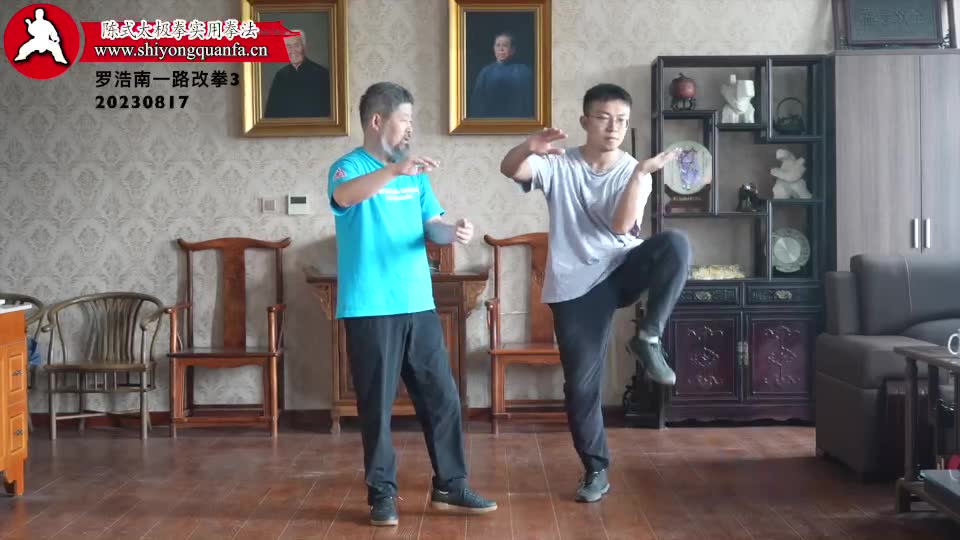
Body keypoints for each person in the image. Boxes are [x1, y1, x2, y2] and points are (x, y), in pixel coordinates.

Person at [498, 83, 691, 503]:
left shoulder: (634, 170)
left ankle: (648, 337)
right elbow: (510, 169)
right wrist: (528, 146)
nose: (613, 127)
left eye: (621, 120)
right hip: (575, 286)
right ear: (585, 121)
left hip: (622, 267)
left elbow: (622, 227)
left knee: (676, 245)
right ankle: (596, 468)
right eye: (604, 118)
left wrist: (639, 175)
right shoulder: (559, 164)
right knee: (581, 386)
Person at [327, 81, 498, 527]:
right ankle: (382, 494)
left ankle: (451, 486)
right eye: (404, 119)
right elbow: (345, 197)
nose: (409, 128)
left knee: (442, 397)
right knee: (376, 406)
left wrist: (452, 231)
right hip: (369, 306)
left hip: (418, 302)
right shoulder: (348, 168)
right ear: (377, 121)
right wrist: (393, 172)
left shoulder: (415, 174)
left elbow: (431, 224)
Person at [264, 30, 330, 118]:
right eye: (288, 47)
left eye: (296, 45)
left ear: (304, 46)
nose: (293, 51)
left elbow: (327, 112)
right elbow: (270, 113)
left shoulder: (322, 74)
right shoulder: (280, 75)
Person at [469, 31, 534, 118]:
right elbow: (477, 102)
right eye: (498, 45)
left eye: (505, 46)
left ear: (512, 50)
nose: (501, 49)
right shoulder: (486, 72)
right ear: (494, 48)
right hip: (492, 120)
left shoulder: (524, 71)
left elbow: (530, 100)